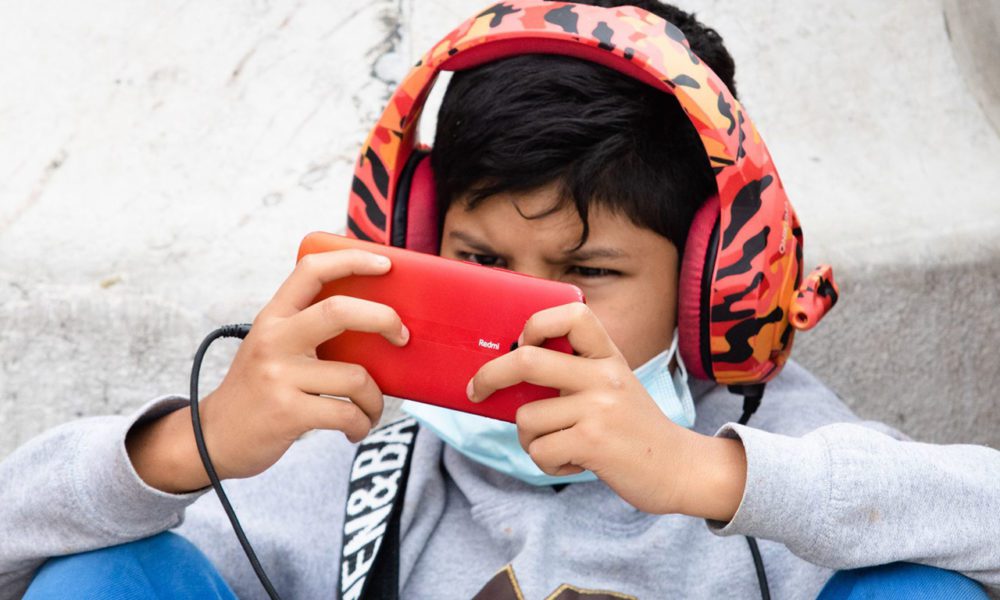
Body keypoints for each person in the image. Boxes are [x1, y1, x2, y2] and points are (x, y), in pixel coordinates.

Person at [2, 1, 998, 598]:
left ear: (707, 283)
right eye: (478, 258)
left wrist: (706, 476)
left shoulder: (768, 444)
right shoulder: (357, 446)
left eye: (588, 272)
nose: (529, 319)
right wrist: (199, 441)